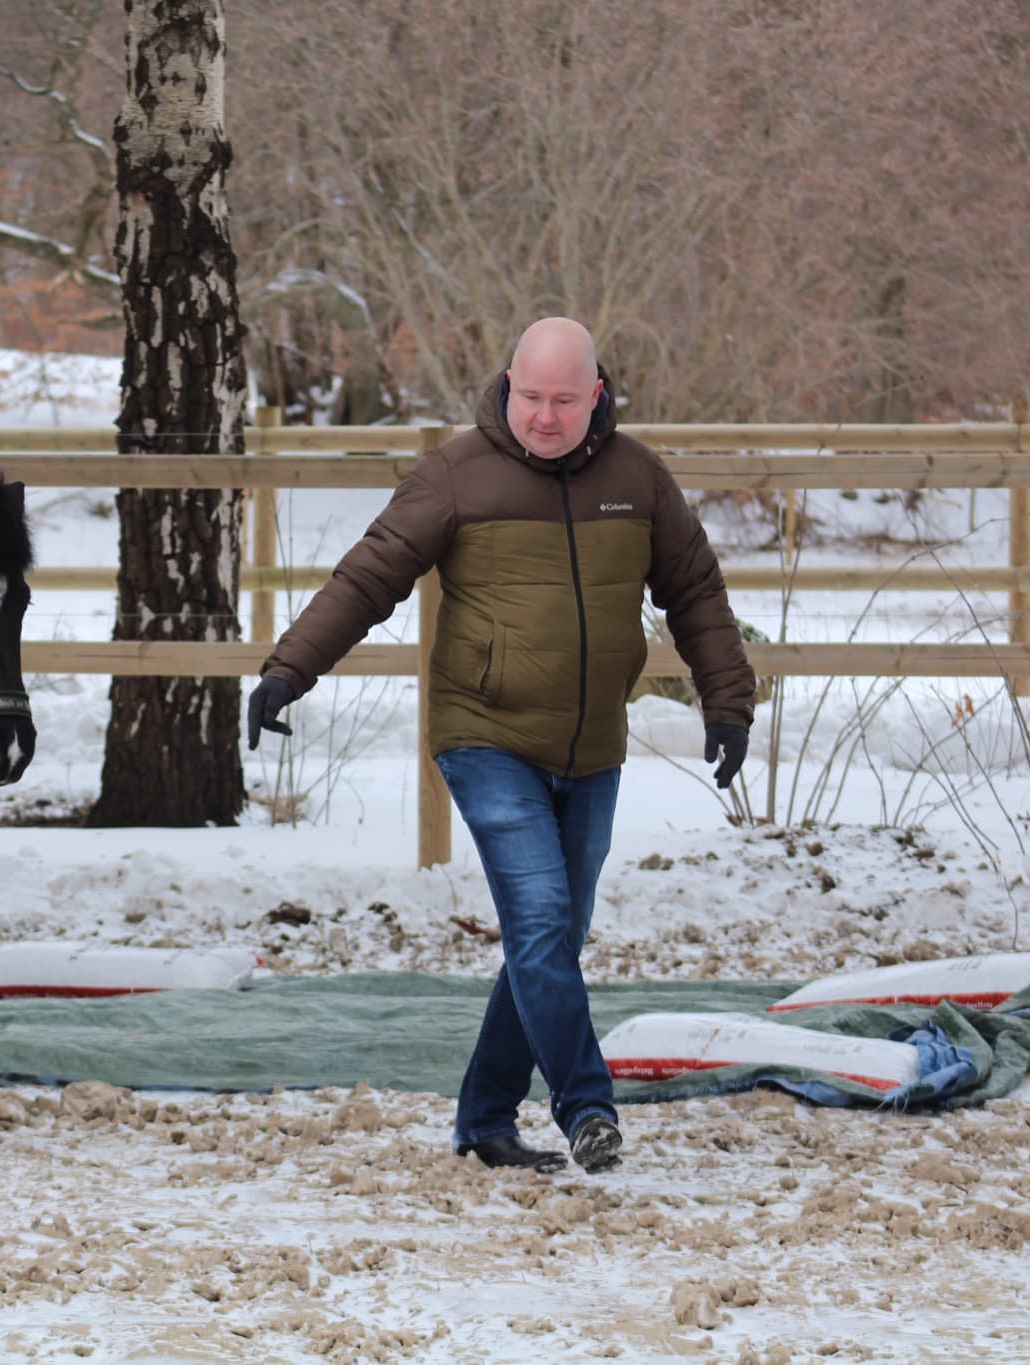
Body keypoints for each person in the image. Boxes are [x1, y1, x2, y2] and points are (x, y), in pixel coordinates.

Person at [248, 318, 755, 1174]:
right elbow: (369, 575)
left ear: (596, 394)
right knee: (544, 922)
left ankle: (484, 1118)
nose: (545, 417)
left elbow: (695, 590)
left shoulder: (637, 479)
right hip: (483, 734)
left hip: (592, 744)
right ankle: (588, 1106)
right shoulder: (456, 474)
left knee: (548, 939)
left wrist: (727, 702)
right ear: (505, 383)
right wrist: (290, 668)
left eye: (564, 400)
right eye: (530, 397)